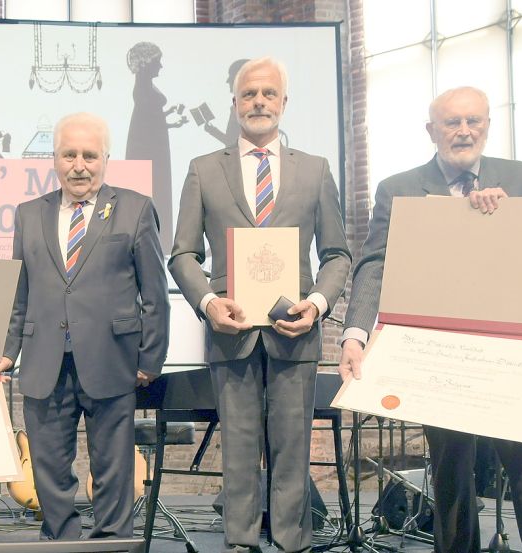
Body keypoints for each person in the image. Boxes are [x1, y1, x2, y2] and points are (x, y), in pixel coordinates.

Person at [168, 57, 350, 553]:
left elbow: (337, 255)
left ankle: (293, 543)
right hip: (232, 331)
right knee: (240, 448)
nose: (259, 102)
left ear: (284, 103)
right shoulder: (204, 170)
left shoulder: (315, 171)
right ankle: (240, 542)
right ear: (234, 104)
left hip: (297, 330)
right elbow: (182, 253)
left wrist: (316, 303)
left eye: (269, 94)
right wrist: (207, 302)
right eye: (249, 94)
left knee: (292, 449)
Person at [339, 86, 522, 553]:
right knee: (451, 474)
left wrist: (511, 220)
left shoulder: (519, 180)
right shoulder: (398, 188)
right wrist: (356, 334)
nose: (464, 131)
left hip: (510, 356)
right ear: (431, 130)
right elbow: (374, 264)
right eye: (451, 122)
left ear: (487, 125)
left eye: (474, 121)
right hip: (439, 358)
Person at [0, 112, 170, 540]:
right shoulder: (28, 213)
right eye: (69, 154)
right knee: (49, 470)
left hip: (114, 360)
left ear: (105, 159)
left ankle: (111, 545)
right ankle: (63, 544)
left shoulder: (135, 208)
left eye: (89, 155)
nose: (79, 165)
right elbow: (20, 293)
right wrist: (6, 351)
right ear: (54, 159)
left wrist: (150, 358)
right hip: (43, 361)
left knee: (113, 469)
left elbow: (155, 294)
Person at [125, 41, 188, 251]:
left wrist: (169, 116)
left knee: (158, 190)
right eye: (158, 61)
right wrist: (172, 121)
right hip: (149, 149)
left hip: (153, 144)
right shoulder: (143, 86)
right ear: (148, 63)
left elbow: (152, 117)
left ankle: (162, 241)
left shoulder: (145, 85)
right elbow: (150, 122)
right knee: (156, 189)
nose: (161, 66)